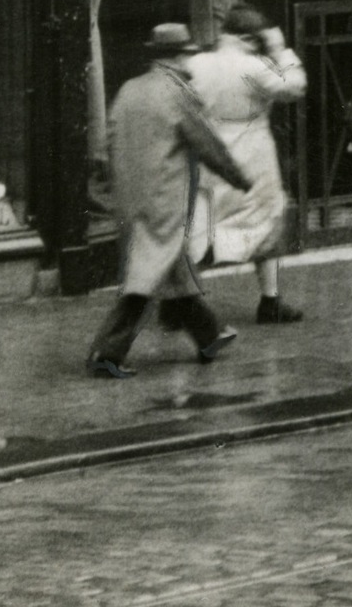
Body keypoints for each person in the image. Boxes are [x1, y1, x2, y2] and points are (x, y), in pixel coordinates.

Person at [87, 24, 252, 380]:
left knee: (168, 268)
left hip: (130, 201)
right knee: (144, 280)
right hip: (163, 201)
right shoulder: (178, 92)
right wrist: (238, 177)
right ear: (179, 57)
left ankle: (210, 335)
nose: (190, 61)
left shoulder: (129, 89)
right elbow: (208, 144)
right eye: (188, 54)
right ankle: (107, 351)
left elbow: (105, 148)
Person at [188, 2, 308, 325]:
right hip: (253, 154)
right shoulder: (253, 67)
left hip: (210, 152)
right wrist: (281, 49)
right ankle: (270, 300)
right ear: (250, 39)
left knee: (203, 226)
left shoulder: (197, 63)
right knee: (265, 223)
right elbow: (296, 85)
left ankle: (182, 301)